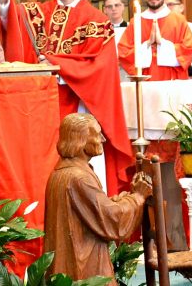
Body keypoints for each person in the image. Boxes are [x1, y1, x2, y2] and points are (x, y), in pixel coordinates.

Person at [0, 0, 134, 195]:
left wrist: (57, 66)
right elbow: (9, 22)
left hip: (77, 105)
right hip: (39, 109)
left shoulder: (97, 21)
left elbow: (99, 70)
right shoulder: (37, 13)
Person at [44, 113, 152, 284]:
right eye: (96, 134)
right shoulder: (79, 178)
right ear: (80, 139)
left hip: (69, 264)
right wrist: (138, 196)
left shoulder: (62, 172)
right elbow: (112, 219)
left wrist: (120, 200)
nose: (102, 139)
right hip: (83, 267)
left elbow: (92, 210)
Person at [117, 0, 192, 81]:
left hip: (173, 81)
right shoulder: (135, 22)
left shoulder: (179, 20)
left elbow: (188, 50)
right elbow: (124, 53)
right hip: (145, 83)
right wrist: (147, 44)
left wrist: (162, 43)